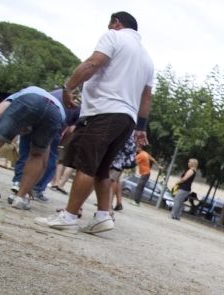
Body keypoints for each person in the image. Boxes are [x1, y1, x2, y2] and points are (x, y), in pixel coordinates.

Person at [35, 11, 154, 233]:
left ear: (116, 23)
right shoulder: (147, 59)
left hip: (105, 111)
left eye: (110, 25)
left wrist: (68, 87)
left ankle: (69, 216)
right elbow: (146, 96)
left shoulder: (114, 37)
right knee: (102, 168)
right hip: (126, 118)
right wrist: (141, 127)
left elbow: (93, 62)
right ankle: (102, 215)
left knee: (86, 165)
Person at [0, 86, 66, 210]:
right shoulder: (56, 105)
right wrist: (29, 186)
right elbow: (44, 162)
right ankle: (20, 198)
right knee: (37, 154)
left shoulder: (24, 92)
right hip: (56, 113)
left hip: (29, 100)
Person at [10, 88, 81, 203]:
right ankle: (36, 188)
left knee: (25, 153)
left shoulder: (53, 92)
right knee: (47, 158)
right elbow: (71, 130)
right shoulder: (77, 103)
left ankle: (18, 182)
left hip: (33, 115)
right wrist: (61, 143)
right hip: (53, 124)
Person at [108, 132, 136, 211]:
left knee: (110, 177)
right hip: (128, 143)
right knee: (116, 178)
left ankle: (108, 206)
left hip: (119, 139)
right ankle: (117, 202)